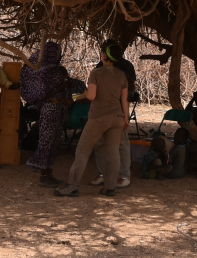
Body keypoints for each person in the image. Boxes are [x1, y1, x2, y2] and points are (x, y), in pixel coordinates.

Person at [55, 40, 130, 197]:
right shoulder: (122, 75)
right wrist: (126, 119)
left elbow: (91, 96)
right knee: (113, 153)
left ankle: (72, 186)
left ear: (104, 55)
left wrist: (78, 97)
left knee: (83, 151)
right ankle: (110, 186)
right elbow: (124, 100)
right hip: (117, 117)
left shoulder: (96, 73)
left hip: (98, 117)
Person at [21, 41, 70, 187]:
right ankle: (44, 175)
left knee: (54, 141)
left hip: (58, 108)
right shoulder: (43, 72)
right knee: (46, 141)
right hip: (50, 109)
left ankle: (49, 173)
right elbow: (43, 94)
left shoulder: (56, 70)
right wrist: (61, 86)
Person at [91, 53, 137, 189]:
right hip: (101, 111)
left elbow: (125, 97)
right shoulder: (98, 69)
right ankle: (103, 173)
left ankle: (124, 175)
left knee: (121, 143)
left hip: (117, 111)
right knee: (99, 143)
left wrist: (125, 117)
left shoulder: (124, 70)